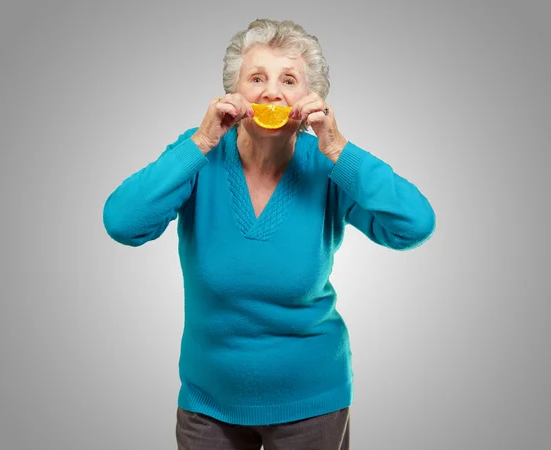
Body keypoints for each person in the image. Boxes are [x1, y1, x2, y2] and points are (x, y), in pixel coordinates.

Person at [103, 18, 436, 450]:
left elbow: (415, 225)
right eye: (256, 78)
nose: (272, 92)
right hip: (208, 406)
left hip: (312, 405)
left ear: (311, 98)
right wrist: (202, 140)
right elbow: (123, 222)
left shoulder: (329, 166)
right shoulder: (199, 155)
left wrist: (338, 149)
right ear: (233, 92)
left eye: (289, 79)